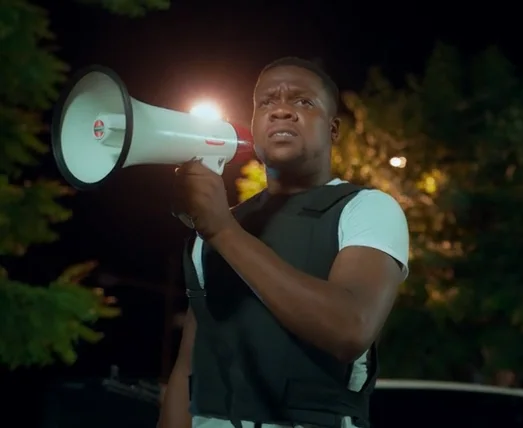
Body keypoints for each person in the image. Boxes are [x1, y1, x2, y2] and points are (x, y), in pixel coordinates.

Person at [157, 57, 409, 428]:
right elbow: (189, 368)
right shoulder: (215, 225)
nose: (281, 111)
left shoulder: (366, 208)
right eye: (266, 103)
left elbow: (351, 328)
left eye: (303, 101)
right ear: (254, 126)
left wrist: (223, 231)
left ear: (333, 129)